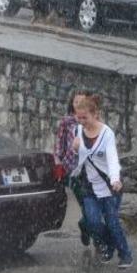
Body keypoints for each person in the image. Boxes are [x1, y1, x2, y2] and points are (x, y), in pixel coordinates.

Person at [72, 94, 134, 269]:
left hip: (109, 185)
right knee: (92, 222)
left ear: (95, 114)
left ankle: (125, 254)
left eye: (85, 117)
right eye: (79, 117)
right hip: (90, 186)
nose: (82, 121)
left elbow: (112, 158)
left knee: (112, 223)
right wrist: (76, 149)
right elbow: (82, 158)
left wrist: (115, 179)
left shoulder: (107, 134)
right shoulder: (78, 131)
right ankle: (110, 244)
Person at [53, 89, 94, 248]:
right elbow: (59, 144)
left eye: (82, 102)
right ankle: (89, 229)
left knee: (94, 205)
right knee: (85, 204)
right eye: (76, 102)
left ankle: (87, 226)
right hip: (73, 170)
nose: (79, 105)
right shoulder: (67, 122)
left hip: (91, 169)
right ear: (72, 104)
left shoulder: (93, 121)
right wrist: (59, 163)